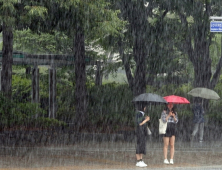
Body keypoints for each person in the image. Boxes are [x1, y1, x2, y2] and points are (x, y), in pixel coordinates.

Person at [135, 102, 150, 167]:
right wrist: (146, 120)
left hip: (142, 132)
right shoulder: (139, 114)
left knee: (142, 145)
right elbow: (139, 123)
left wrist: (145, 119)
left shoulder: (141, 114)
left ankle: (141, 160)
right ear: (143, 108)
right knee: (139, 145)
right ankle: (138, 161)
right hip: (140, 131)